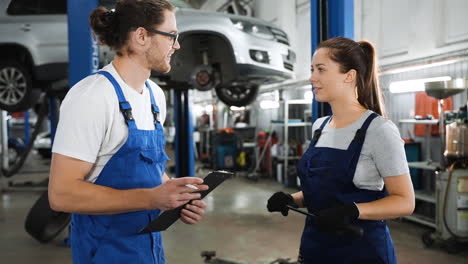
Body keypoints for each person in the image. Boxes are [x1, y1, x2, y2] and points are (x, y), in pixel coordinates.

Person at [48, 1, 208, 263]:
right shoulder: (92, 97)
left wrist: (175, 195)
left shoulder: (155, 96)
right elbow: (61, 194)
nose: (177, 45)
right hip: (103, 252)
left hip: (148, 249)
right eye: (172, 36)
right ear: (142, 36)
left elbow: (149, 168)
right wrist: (152, 198)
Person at [267, 37, 415, 264]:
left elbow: (405, 201)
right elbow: (327, 191)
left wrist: (353, 211)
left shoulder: (378, 130)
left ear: (349, 76)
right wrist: (292, 199)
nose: (312, 77)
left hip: (362, 252)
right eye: (312, 69)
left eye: (321, 70)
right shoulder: (320, 126)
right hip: (315, 249)